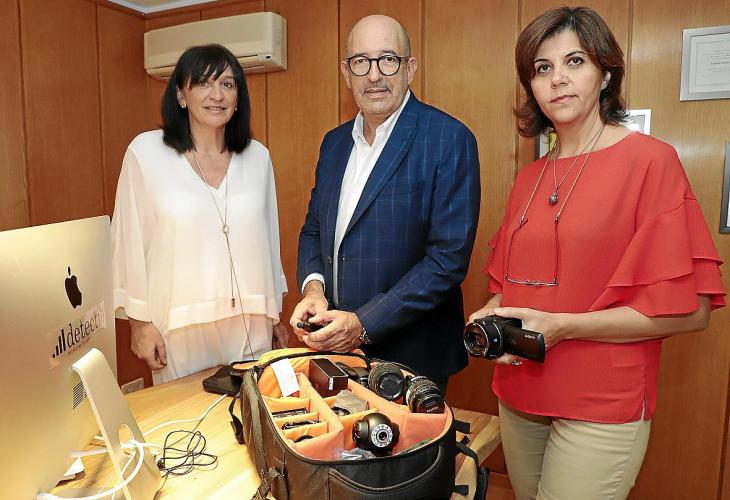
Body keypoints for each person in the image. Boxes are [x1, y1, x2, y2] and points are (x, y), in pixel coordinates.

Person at [469, 7, 725, 500]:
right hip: (521, 392)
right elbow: (510, 288)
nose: (558, 79)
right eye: (542, 68)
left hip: (604, 401)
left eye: (575, 61)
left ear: (606, 73)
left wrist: (565, 327)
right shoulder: (529, 177)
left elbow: (692, 311)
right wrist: (490, 312)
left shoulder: (651, 162)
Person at [290, 15, 480, 391]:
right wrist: (314, 290)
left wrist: (363, 323)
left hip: (413, 358)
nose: (374, 75)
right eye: (361, 61)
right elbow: (314, 228)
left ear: (410, 68)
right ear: (347, 73)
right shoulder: (333, 144)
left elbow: (446, 262)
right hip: (336, 351)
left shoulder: (449, 139)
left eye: (388, 59)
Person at [111, 44, 288, 385]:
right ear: (181, 95)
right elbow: (127, 242)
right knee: (186, 417)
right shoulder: (145, 153)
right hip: (179, 325)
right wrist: (139, 324)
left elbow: (269, 239)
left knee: (250, 412)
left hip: (250, 321)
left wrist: (274, 313)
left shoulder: (258, 157)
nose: (216, 94)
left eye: (227, 84)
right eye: (204, 83)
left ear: (238, 97)